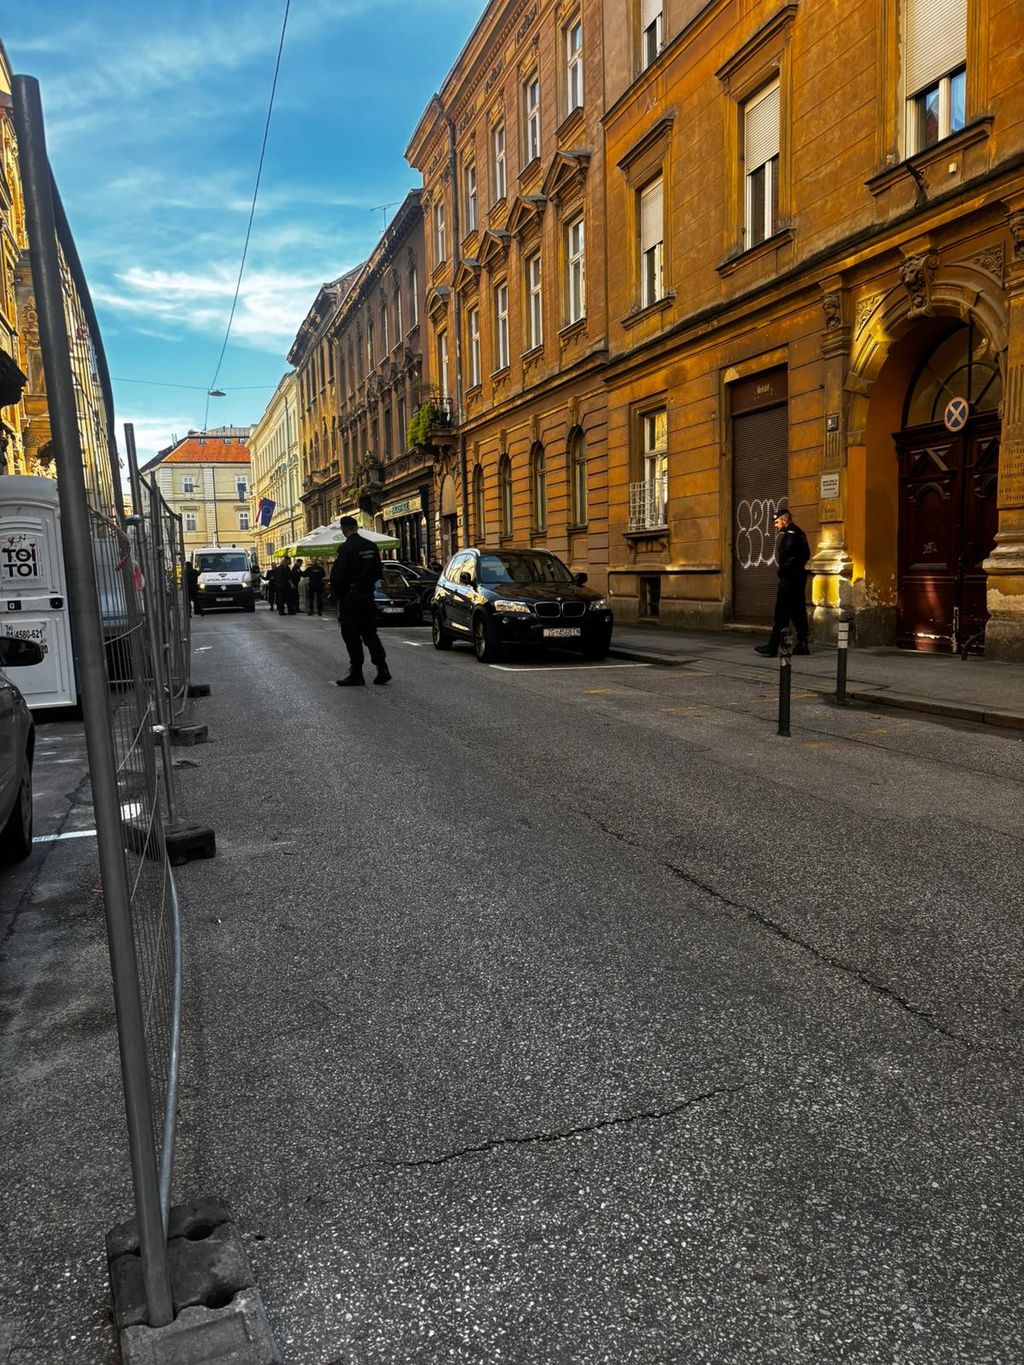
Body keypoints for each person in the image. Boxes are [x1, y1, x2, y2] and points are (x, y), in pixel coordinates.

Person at [330, 517, 391, 686]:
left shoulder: (346, 548)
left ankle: (356, 672)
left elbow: (337, 575)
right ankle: (382, 668)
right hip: (367, 596)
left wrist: (340, 594)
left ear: (344, 529)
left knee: (351, 636)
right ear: (356, 527)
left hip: (350, 598)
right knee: (370, 634)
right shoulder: (371, 546)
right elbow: (378, 572)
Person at [755, 503, 811, 657]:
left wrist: (783, 571)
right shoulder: (800, 533)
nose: (775, 525)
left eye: (777, 522)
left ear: (785, 520)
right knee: (797, 612)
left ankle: (773, 646)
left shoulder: (790, 535)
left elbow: (787, 558)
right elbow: (807, 555)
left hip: (789, 579)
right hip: (799, 578)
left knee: (781, 612)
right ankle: (803, 644)